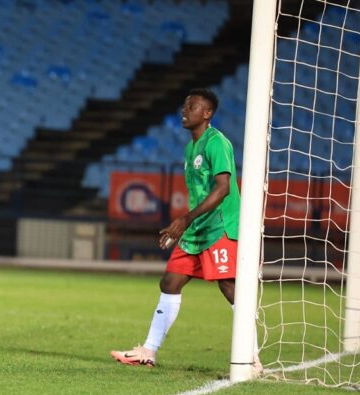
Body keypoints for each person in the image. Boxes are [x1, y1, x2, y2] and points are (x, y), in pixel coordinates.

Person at [110, 88, 260, 373]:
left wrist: (185, 219)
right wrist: (186, 224)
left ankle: (252, 358)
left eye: (192, 106)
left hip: (220, 226)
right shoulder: (190, 147)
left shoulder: (217, 143)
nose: (184, 109)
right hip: (197, 228)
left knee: (229, 287)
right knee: (170, 282)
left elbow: (223, 188)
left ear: (207, 114)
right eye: (184, 105)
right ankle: (148, 351)